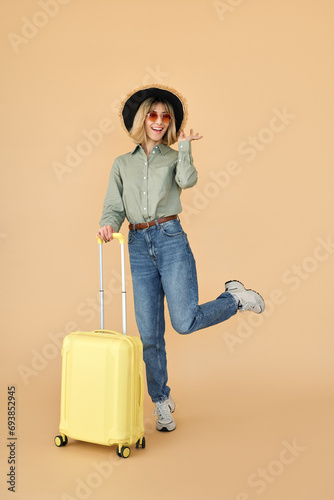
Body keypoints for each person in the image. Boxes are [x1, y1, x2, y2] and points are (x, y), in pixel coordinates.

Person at [97, 84, 265, 432]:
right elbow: (114, 206)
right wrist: (107, 225)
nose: (159, 121)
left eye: (165, 116)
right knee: (149, 335)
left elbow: (188, 180)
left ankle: (234, 299)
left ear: (170, 122)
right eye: (153, 115)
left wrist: (185, 147)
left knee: (183, 321)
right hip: (138, 244)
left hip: (171, 239)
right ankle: (161, 402)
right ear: (143, 119)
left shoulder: (175, 157)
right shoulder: (121, 164)